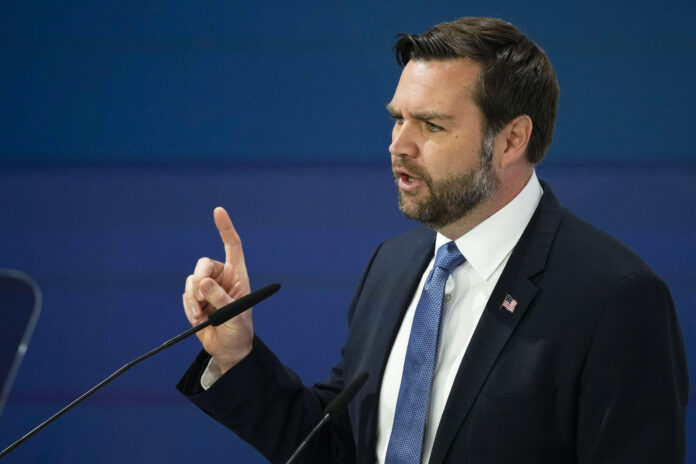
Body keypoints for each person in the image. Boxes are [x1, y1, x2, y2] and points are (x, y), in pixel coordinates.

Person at [176, 17, 688, 464]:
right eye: (398, 119)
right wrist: (238, 356)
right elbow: (339, 446)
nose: (398, 145)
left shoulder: (616, 297)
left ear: (512, 139)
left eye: (432, 125)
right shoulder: (392, 266)